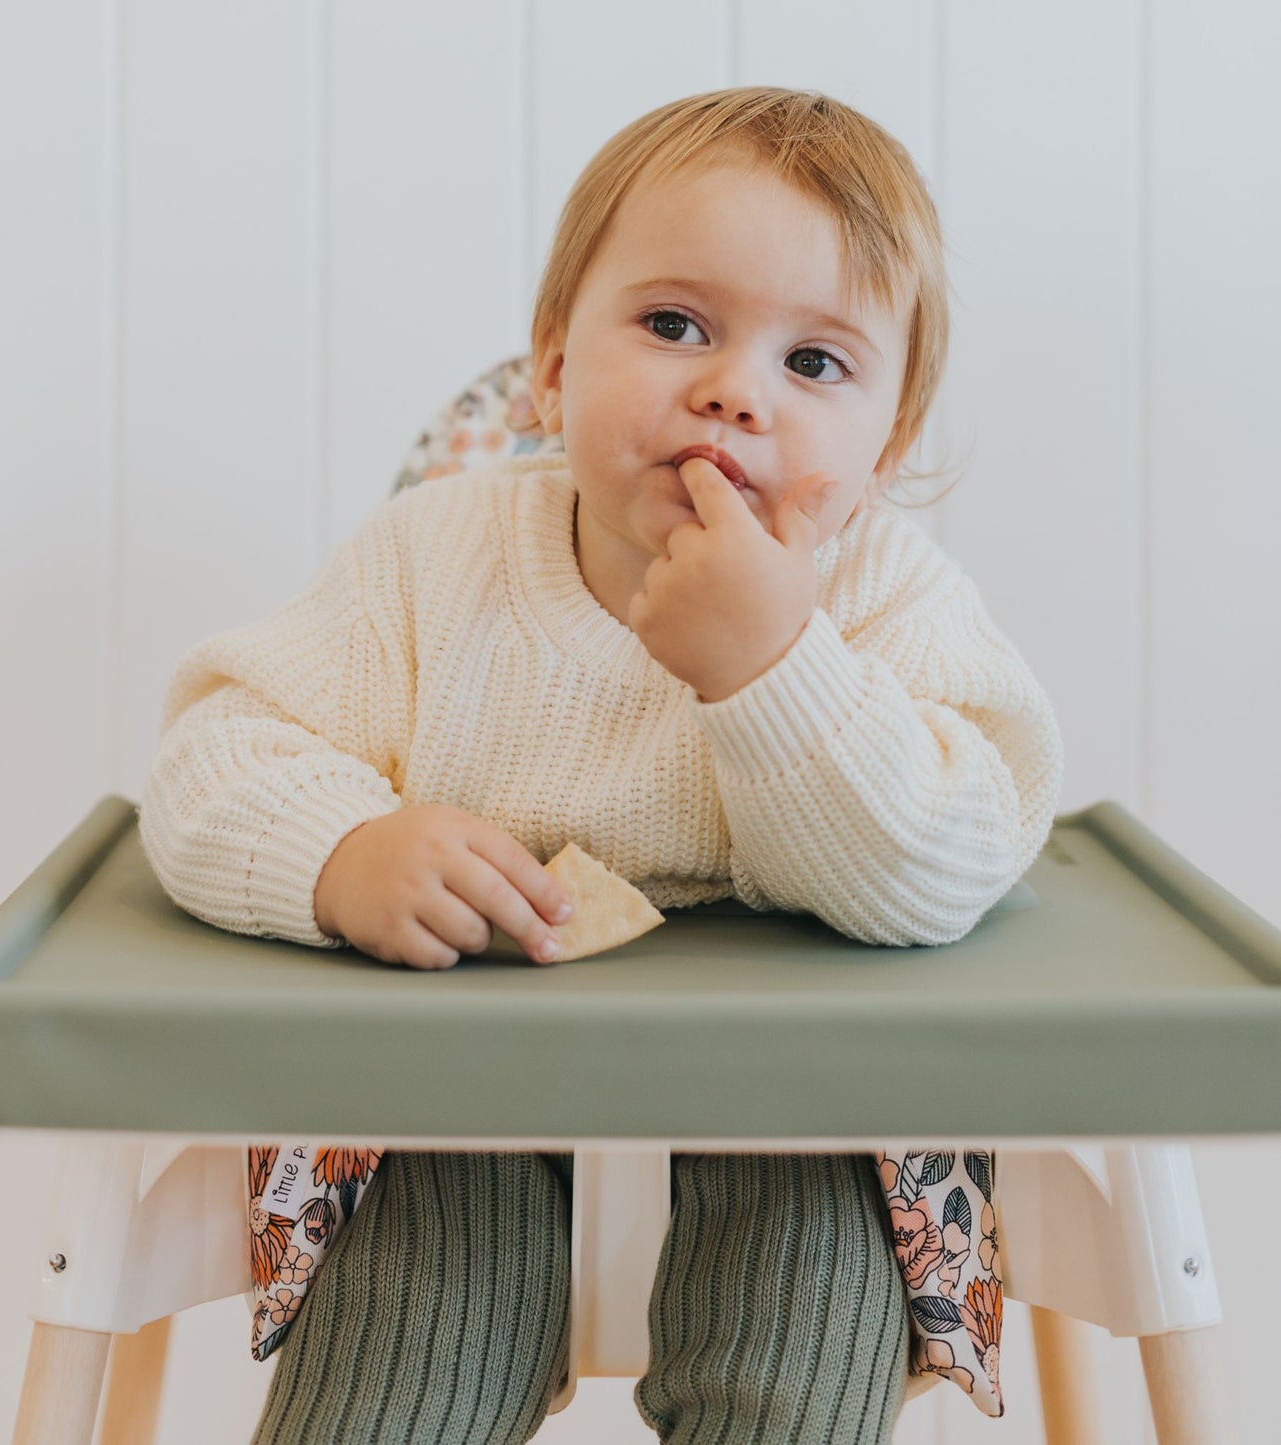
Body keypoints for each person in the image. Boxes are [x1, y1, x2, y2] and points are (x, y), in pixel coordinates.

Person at [140, 86, 1062, 1445]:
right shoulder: (432, 561)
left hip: (806, 1101)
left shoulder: (885, 599)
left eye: (814, 364)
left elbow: (958, 851)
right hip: (456, 1099)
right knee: (399, 1361)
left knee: (791, 1357)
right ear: (553, 366)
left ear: (886, 446)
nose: (732, 389)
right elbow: (215, 747)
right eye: (673, 324)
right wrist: (342, 852)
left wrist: (772, 666)